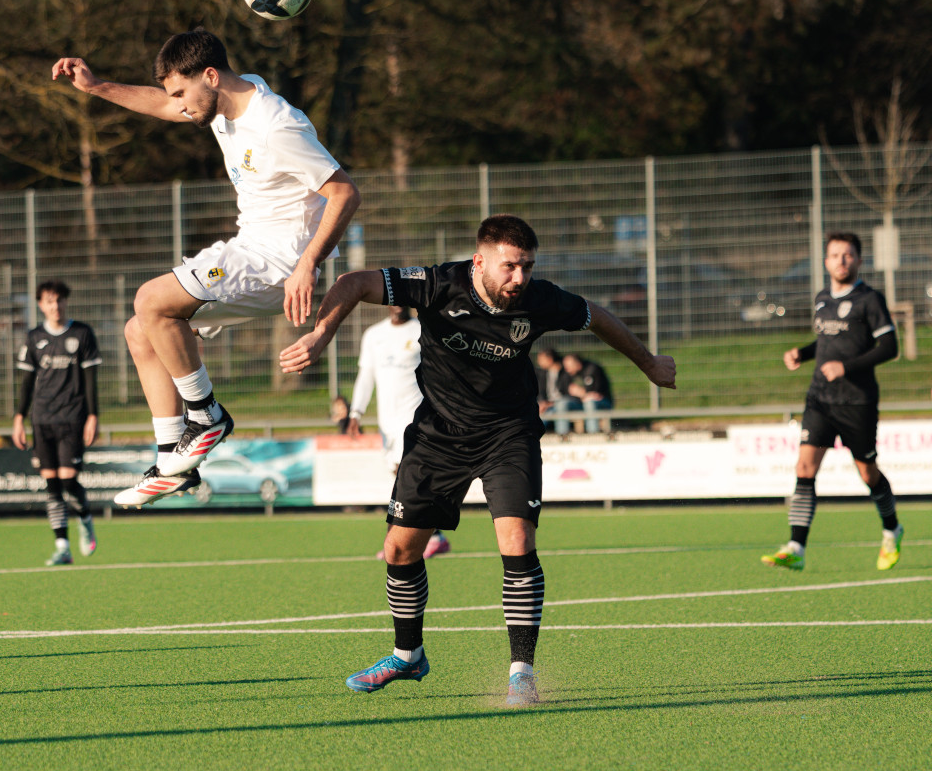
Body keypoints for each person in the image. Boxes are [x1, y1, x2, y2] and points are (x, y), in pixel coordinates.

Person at [279, 214, 676, 706]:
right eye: (510, 266)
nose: (519, 278)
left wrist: (649, 363)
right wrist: (320, 336)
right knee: (400, 550)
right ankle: (407, 655)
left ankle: (521, 673)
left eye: (527, 266)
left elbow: (596, 316)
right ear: (480, 261)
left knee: (517, 539)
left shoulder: (539, 299)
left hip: (509, 433)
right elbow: (353, 282)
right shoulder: (437, 285)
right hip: (438, 435)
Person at [53, 30, 359, 507]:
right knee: (140, 331)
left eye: (182, 92)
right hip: (249, 250)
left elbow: (344, 193)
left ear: (211, 76)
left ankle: (207, 417)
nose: (178, 105)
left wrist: (308, 264)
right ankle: (173, 464)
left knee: (150, 300)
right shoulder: (221, 102)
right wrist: (96, 87)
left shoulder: (278, 126)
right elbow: (161, 104)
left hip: (278, 264)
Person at [762, 232, 904, 573]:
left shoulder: (870, 300)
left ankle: (892, 529)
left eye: (848, 254)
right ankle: (796, 547)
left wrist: (846, 368)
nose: (841, 260)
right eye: (835, 255)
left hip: (856, 402)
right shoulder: (822, 298)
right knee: (804, 467)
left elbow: (890, 348)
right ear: (825, 261)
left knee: (867, 472)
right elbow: (828, 341)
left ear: (859, 260)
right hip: (820, 398)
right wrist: (803, 353)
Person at [348, 305, 449, 559]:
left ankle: (422, 537)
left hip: (416, 415)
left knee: (409, 475)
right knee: (400, 475)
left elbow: (442, 371)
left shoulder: (421, 329)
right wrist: (356, 412)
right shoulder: (374, 335)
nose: (397, 305)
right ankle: (421, 536)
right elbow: (366, 375)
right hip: (388, 421)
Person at [13, 281, 102, 566]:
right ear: (41, 305)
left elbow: (90, 380)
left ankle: (85, 518)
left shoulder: (82, 333)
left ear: (66, 302)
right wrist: (19, 418)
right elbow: (26, 382)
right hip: (42, 419)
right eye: (50, 301)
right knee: (51, 483)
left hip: (72, 417)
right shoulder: (34, 337)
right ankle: (62, 546)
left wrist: (93, 416)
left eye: (60, 300)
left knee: (68, 479)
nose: (56, 306)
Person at [562, 352, 614, 434]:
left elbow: (594, 394)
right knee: (562, 403)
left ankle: (592, 434)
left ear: (577, 363)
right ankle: (562, 434)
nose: (566, 369)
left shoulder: (592, 369)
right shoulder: (567, 373)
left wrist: (580, 393)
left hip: (602, 402)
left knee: (590, 402)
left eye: (569, 366)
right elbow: (566, 390)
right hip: (579, 402)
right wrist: (583, 394)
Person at [535, 348, 576, 435]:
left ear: (550, 359)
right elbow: (541, 392)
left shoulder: (565, 372)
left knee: (560, 405)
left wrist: (551, 403)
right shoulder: (542, 374)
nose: (538, 362)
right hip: (548, 405)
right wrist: (543, 402)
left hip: (561, 402)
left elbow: (567, 393)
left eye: (541, 360)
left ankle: (562, 435)